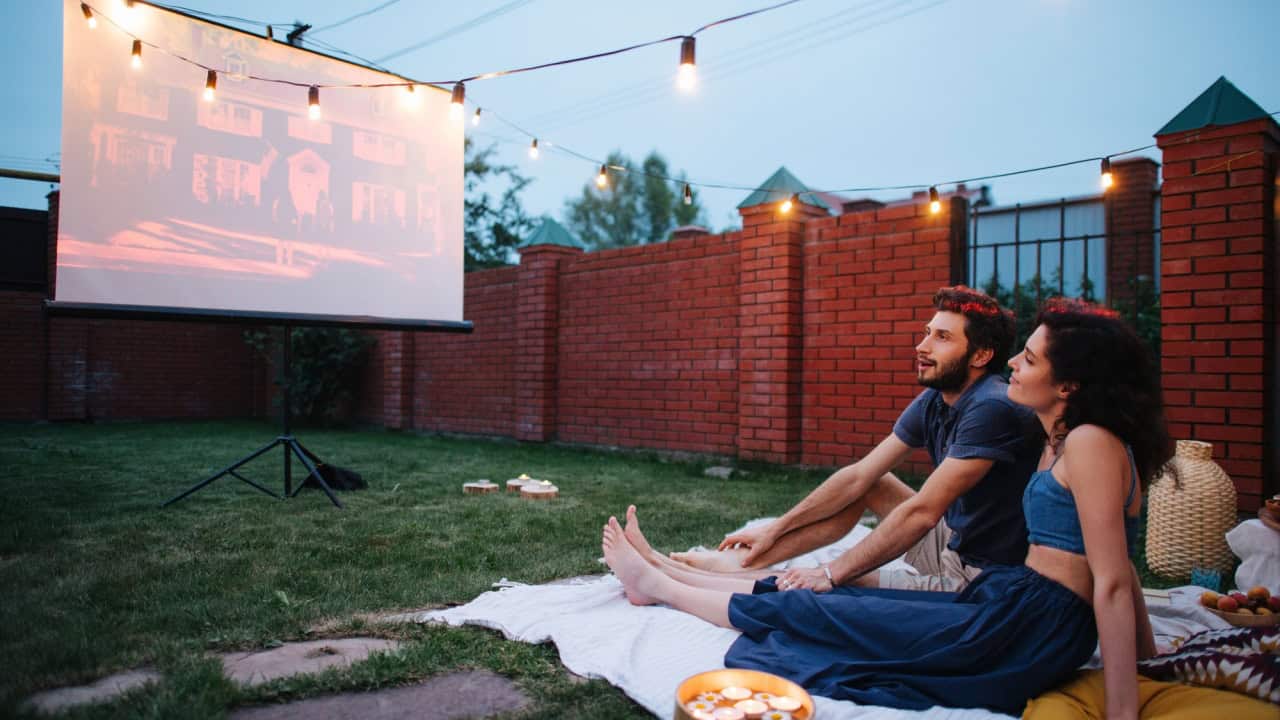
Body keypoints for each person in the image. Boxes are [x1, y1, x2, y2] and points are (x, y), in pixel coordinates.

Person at [603, 298, 1170, 717]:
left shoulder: (1088, 442)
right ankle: (669, 574)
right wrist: (1151, 659)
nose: (1015, 367)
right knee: (837, 604)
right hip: (1008, 602)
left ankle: (662, 586)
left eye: (1028, 358)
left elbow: (1114, 580)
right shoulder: (1064, 437)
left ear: (1067, 385)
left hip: (1026, 625)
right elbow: (863, 479)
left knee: (830, 610)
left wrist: (1127, 707)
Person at [666, 285, 1038, 594]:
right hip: (954, 540)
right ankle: (742, 563)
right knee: (873, 484)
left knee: (832, 583)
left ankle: (711, 579)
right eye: (927, 332)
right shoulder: (937, 398)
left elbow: (922, 513)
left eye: (942, 337)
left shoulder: (991, 405)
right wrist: (774, 529)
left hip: (979, 577)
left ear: (982, 355)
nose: (922, 346)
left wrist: (830, 572)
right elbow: (861, 475)